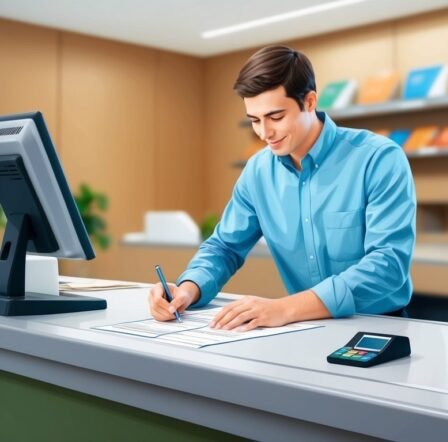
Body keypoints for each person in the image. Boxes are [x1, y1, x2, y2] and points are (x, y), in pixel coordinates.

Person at [148, 45, 416, 330]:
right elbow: (225, 247)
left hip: (380, 326)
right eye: (254, 120)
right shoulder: (258, 172)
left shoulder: (378, 159)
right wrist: (188, 290)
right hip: (303, 326)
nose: (265, 133)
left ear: (310, 101)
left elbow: (388, 265)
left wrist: (284, 308)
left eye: (275, 117)